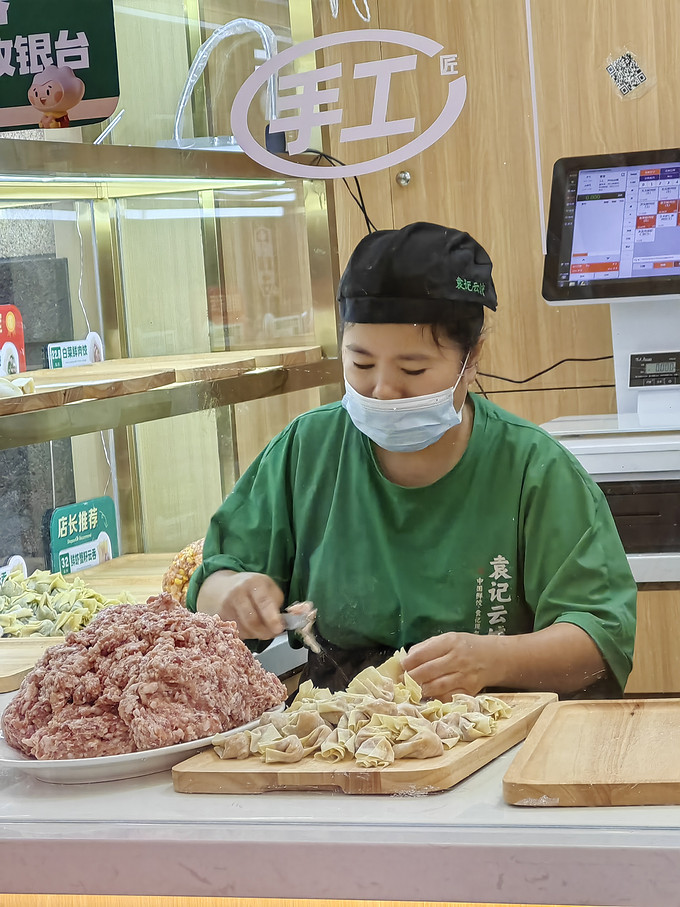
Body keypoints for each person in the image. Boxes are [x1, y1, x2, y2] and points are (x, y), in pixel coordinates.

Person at [186, 222, 636, 700]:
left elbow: (599, 636)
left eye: (413, 369)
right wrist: (231, 592)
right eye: (360, 364)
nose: (382, 390)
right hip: (337, 731)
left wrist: (491, 659)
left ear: (473, 357)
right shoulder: (308, 450)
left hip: (495, 723)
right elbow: (213, 581)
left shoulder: (532, 470)